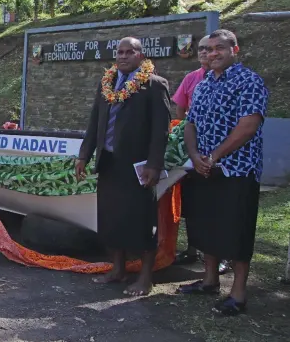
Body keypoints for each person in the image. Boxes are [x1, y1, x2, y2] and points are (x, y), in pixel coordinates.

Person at [176, 29, 269, 316]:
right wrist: (195, 156)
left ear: (234, 50)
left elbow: (248, 125)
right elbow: (189, 123)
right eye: (207, 48)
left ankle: (238, 295)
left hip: (237, 170)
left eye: (219, 48)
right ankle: (209, 280)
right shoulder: (203, 85)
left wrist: (215, 156)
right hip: (203, 169)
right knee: (205, 226)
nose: (212, 53)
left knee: (237, 231)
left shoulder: (249, 81)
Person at [75, 37, 171, 296]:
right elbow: (95, 120)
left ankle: (145, 278)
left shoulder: (154, 86)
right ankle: (117, 269)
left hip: (138, 165)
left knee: (141, 219)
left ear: (141, 56)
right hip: (109, 161)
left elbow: (160, 131)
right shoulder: (106, 83)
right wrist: (84, 154)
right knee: (111, 217)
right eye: (120, 52)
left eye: (130, 52)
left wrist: (154, 164)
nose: (124, 56)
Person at [171, 36, 232, 275]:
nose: (206, 54)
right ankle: (193, 249)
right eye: (203, 50)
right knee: (195, 204)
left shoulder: (235, 80)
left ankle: (224, 255)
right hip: (194, 152)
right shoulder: (193, 79)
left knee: (222, 208)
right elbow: (182, 114)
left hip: (225, 157)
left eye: (212, 49)